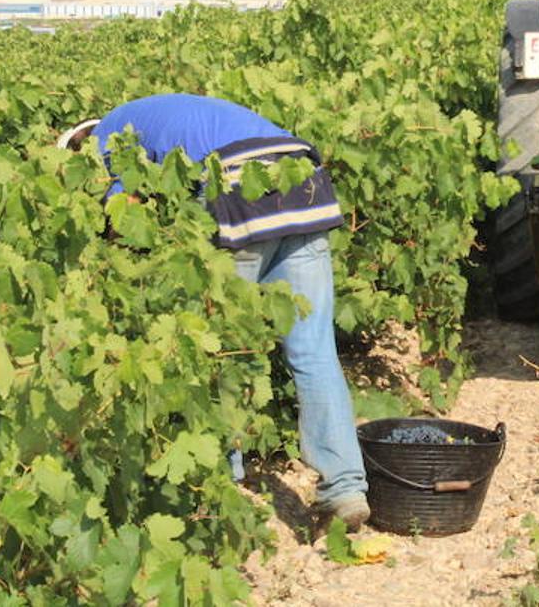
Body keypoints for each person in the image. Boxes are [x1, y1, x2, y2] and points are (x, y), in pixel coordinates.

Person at [58, 93, 370, 531]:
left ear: (80, 144)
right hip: (304, 178)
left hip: (240, 186)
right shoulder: (152, 113)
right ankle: (346, 490)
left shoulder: (105, 137)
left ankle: (221, 485)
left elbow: (120, 214)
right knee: (315, 351)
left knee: (221, 350)